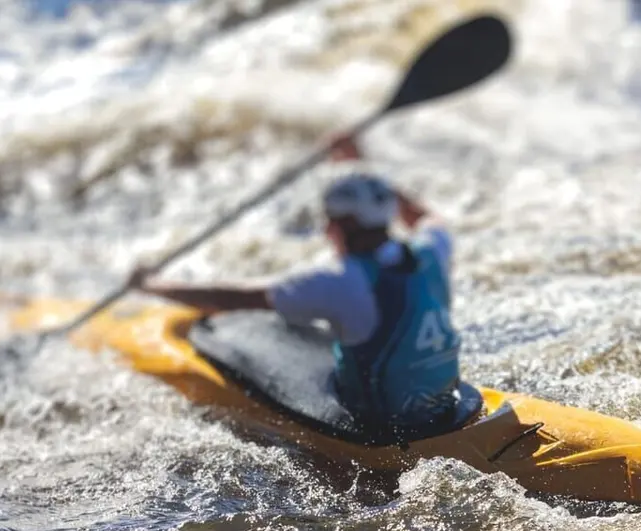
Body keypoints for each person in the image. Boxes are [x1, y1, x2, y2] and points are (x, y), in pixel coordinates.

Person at [128, 135, 462, 428]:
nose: (327, 230)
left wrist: (153, 285)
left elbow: (233, 299)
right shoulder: (432, 250)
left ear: (341, 226)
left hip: (385, 424)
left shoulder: (342, 283)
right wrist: (364, 171)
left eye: (330, 221)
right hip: (445, 409)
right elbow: (425, 216)